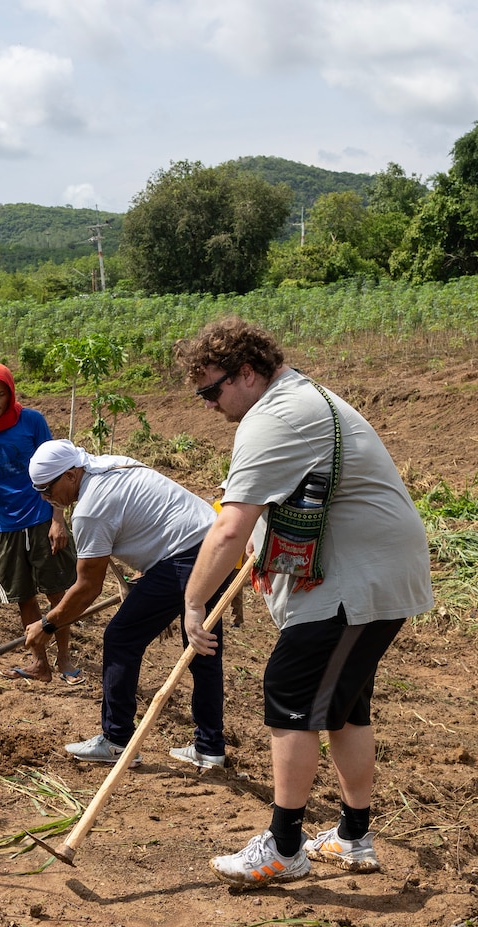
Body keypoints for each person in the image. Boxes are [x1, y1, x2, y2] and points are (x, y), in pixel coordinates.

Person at [174, 316, 434, 888]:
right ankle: (351, 836)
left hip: (354, 586)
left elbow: (228, 529)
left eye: (211, 390)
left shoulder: (276, 416)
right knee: (344, 709)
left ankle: (285, 846)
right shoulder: (301, 396)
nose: (209, 404)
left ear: (247, 372)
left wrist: (193, 605)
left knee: (289, 695)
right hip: (374, 574)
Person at [23, 440, 230, 767]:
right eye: (40, 492)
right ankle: (210, 746)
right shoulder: (113, 463)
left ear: (72, 474)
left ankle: (117, 740)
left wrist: (48, 624)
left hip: (186, 558)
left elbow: (87, 588)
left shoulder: (90, 509)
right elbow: (149, 514)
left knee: (120, 638)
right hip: (218, 544)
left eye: (48, 490)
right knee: (201, 648)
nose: (47, 499)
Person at [0, 363, 80, 681]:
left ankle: (65, 660)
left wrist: (58, 519)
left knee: (58, 593)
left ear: (11, 393)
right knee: (24, 597)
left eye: (1, 394)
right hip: (7, 526)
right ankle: (40, 663)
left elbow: (59, 470)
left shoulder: (32, 421)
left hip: (43, 518)